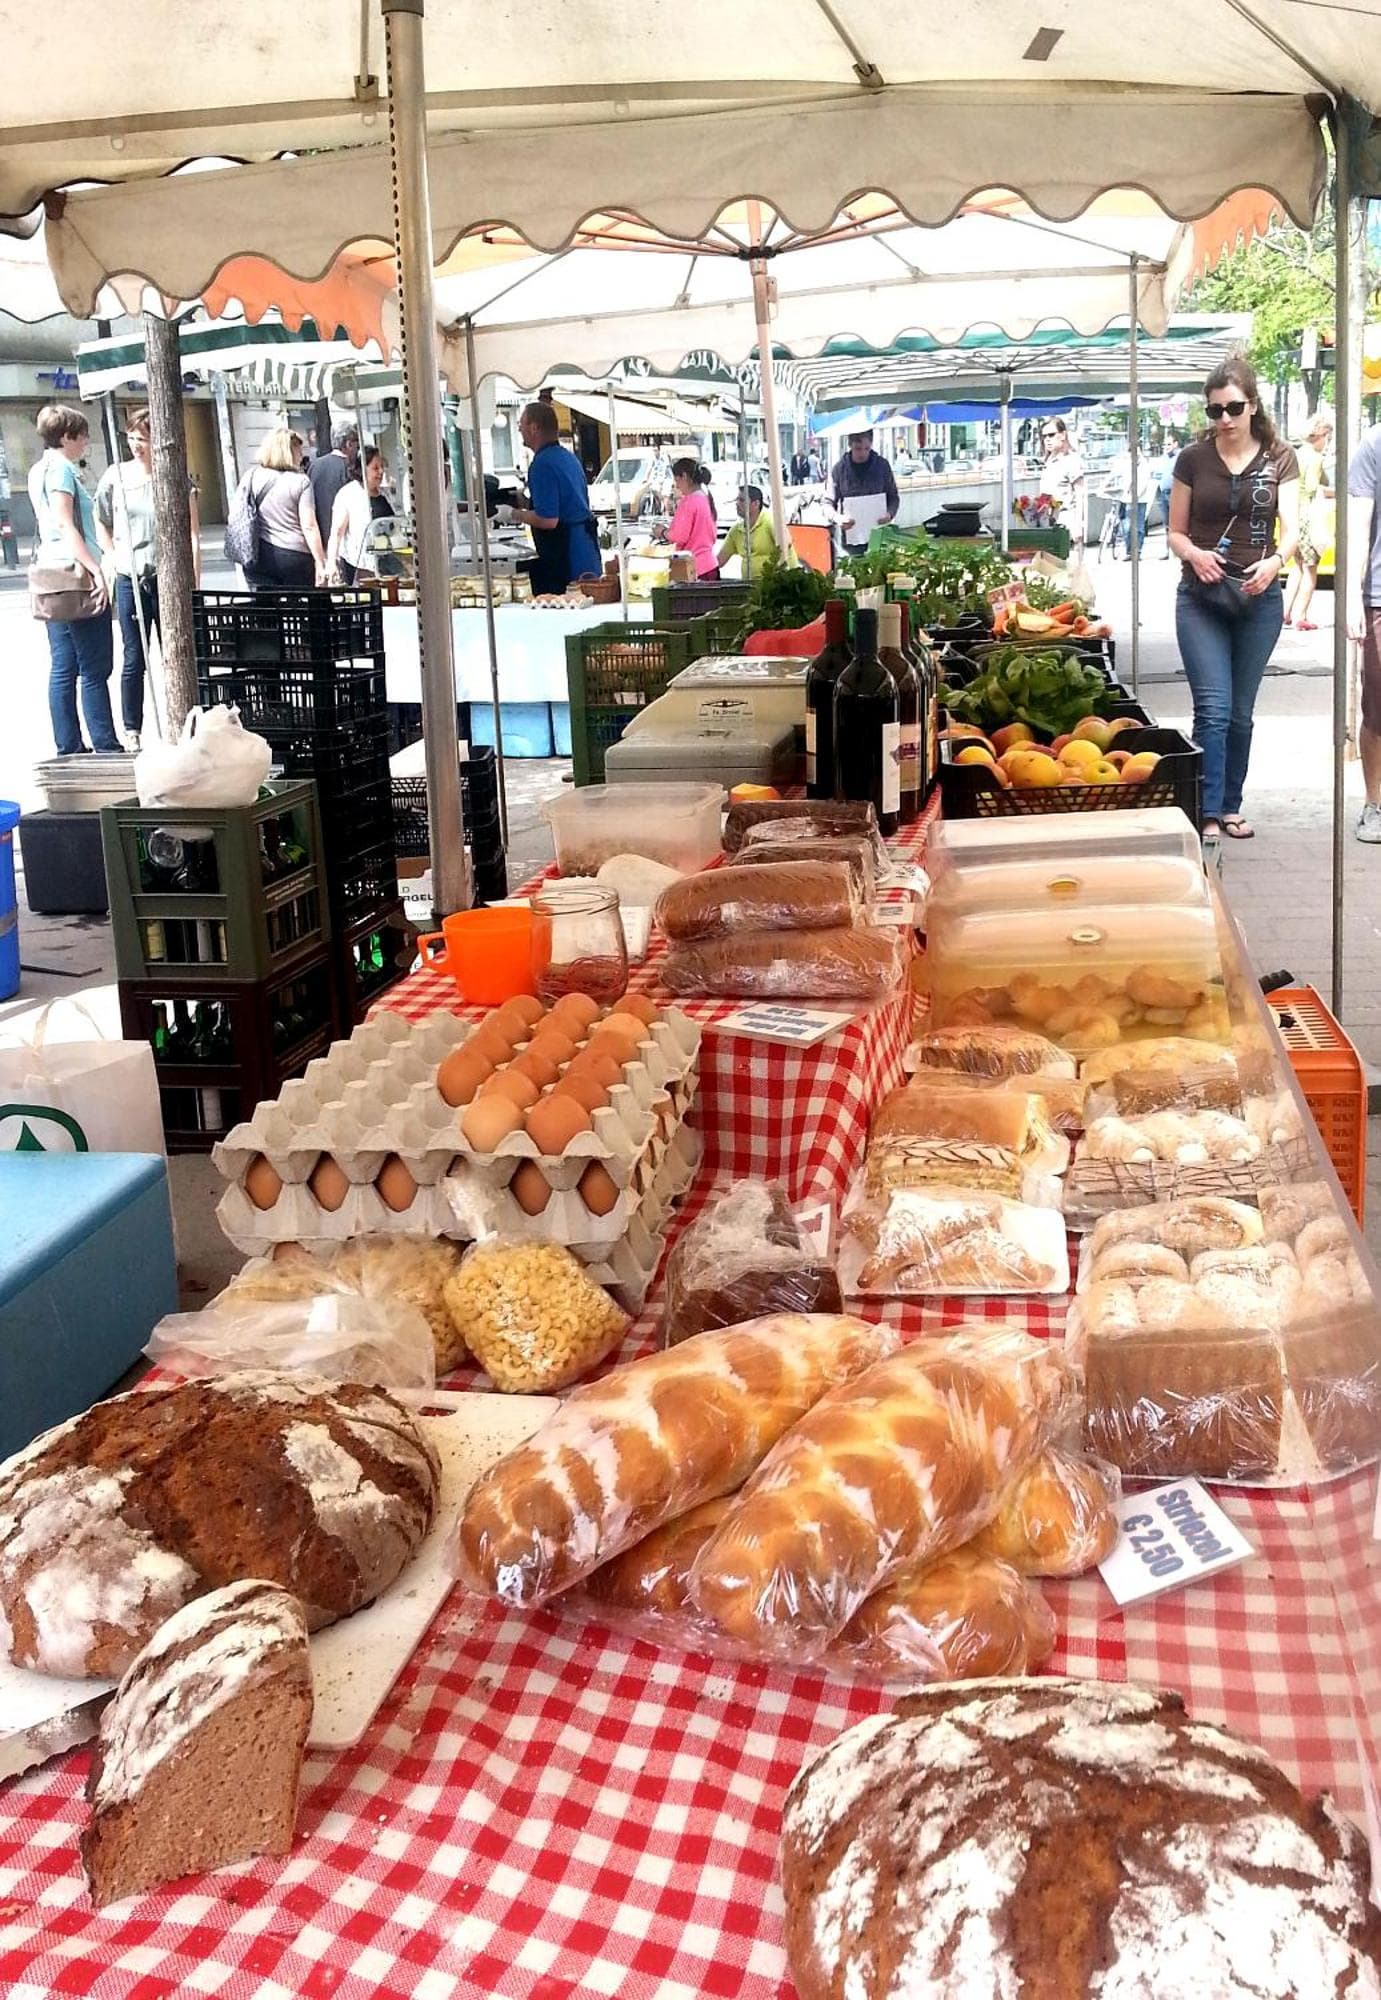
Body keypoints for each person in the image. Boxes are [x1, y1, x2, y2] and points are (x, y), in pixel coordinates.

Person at [1168, 356, 1299, 843]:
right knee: (1213, 709)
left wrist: (1276, 561)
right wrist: (1194, 554)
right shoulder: (1192, 459)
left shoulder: (1280, 457)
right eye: (1215, 410)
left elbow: (1293, 528)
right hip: (1200, 597)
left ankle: (1230, 805)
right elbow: (1175, 532)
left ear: (1253, 406)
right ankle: (1206, 809)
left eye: (1233, 408)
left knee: (1241, 713)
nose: (1224, 419)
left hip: (1258, 599)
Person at [93, 407, 201, 753]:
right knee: (134, 656)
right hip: (131, 576)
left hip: (168, 577)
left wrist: (194, 580)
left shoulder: (175, 477)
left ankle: (183, 724)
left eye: (143, 438)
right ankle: (132, 728)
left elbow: (192, 533)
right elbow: (101, 520)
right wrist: (113, 555)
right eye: (132, 438)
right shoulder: (116, 477)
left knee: (177, 653)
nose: (136, 445)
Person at [26, 404, 120, 757]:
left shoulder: (38, 469)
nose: (85, 443)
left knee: (63, 665)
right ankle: (105, 742)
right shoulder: (62, 470)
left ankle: (68, 744)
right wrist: (95, 569)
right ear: (67, 437)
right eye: (82, 436)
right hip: (74, 572)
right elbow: (66, 523)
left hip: (51, 574)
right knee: (95, 665)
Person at [507, 401, 602, 594]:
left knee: (569, 604)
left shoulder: (542, 464)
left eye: (521, 424)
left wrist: (513, 514)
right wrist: (525, 502)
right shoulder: (567, 457)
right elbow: (566, 503)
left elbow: (548, 520)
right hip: (585, 549)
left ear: (534, 428)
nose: (519, 429)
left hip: (567, 555)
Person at [1344, 421, 1381, 842]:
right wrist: (1353, 595)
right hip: (1379, 595)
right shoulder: (1374, 444)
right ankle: (1375, 804)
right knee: (1378, 704)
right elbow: (1357, 524)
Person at [236, 428, 327, 590]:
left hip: (258, 554)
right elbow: (309, 525)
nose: (301, 456)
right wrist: (320, 562)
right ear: (288, 453)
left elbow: (237, 513)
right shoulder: (300, 482)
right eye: (299, 452)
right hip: (295, 556)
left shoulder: (250, 477)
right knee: (307, 602)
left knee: (266, 604)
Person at [1284, 412, 1334, 632]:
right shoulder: (1314, 458)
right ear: (1320, 435)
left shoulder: (1296, 454)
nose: (1328, 442)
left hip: (1292, 515)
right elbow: (1315, 488)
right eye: (1328, 437)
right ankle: (1301, 616)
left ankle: (1285, 612)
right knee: (1310, 569)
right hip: (1308, 517)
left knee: (1297, 566)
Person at [327, 446, 391, 583]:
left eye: (382, 467)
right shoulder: (348, 494)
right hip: (360, 566)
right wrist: (331, 562)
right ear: (362, 470)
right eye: (375, 468)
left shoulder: (385, 494)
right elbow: (337, 532)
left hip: (386, 564)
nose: (381, 472)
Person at [831, 430, 899, 554]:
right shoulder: (839, 469)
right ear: (850, 445)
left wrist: (890, 514)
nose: (862, 453)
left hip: (880, 535)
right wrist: (838, 518)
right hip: (852, 538)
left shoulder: (882, 466)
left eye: (867, 448)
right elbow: (827, 502)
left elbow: (893, 497)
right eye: (858, 448)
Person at [307, 422, 359, 545]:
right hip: (343, 539)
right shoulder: (349, 469)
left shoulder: (314, 466)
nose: (357, 450)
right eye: (357, 444)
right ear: (349, 444)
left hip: (318, 536)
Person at [666, 457, 719, 579]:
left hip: (694, 568)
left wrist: (663, 532)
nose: (676, 486)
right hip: (710, 564)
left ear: (684, 476)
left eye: (677, 480)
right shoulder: (705, 497)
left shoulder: (689, 501)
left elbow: (679, 537)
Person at [717, 484, 781, 575]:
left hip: (773, 582)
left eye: (742, 500)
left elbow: (786, 548)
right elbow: (720, 560)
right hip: (748, 583)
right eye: (737, 500)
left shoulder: (770, 522)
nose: (737, 503)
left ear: (756, 504)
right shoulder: (736, 530)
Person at [1041, 418, 1086, 545]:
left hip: (1067, 519)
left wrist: (1078, 524)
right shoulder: (1049, 461)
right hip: (1049, 520)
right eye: (1044, 436)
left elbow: (1080, 494)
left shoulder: (1071, 461)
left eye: (1051, 435)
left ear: (1063, 435)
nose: (1047, 439)